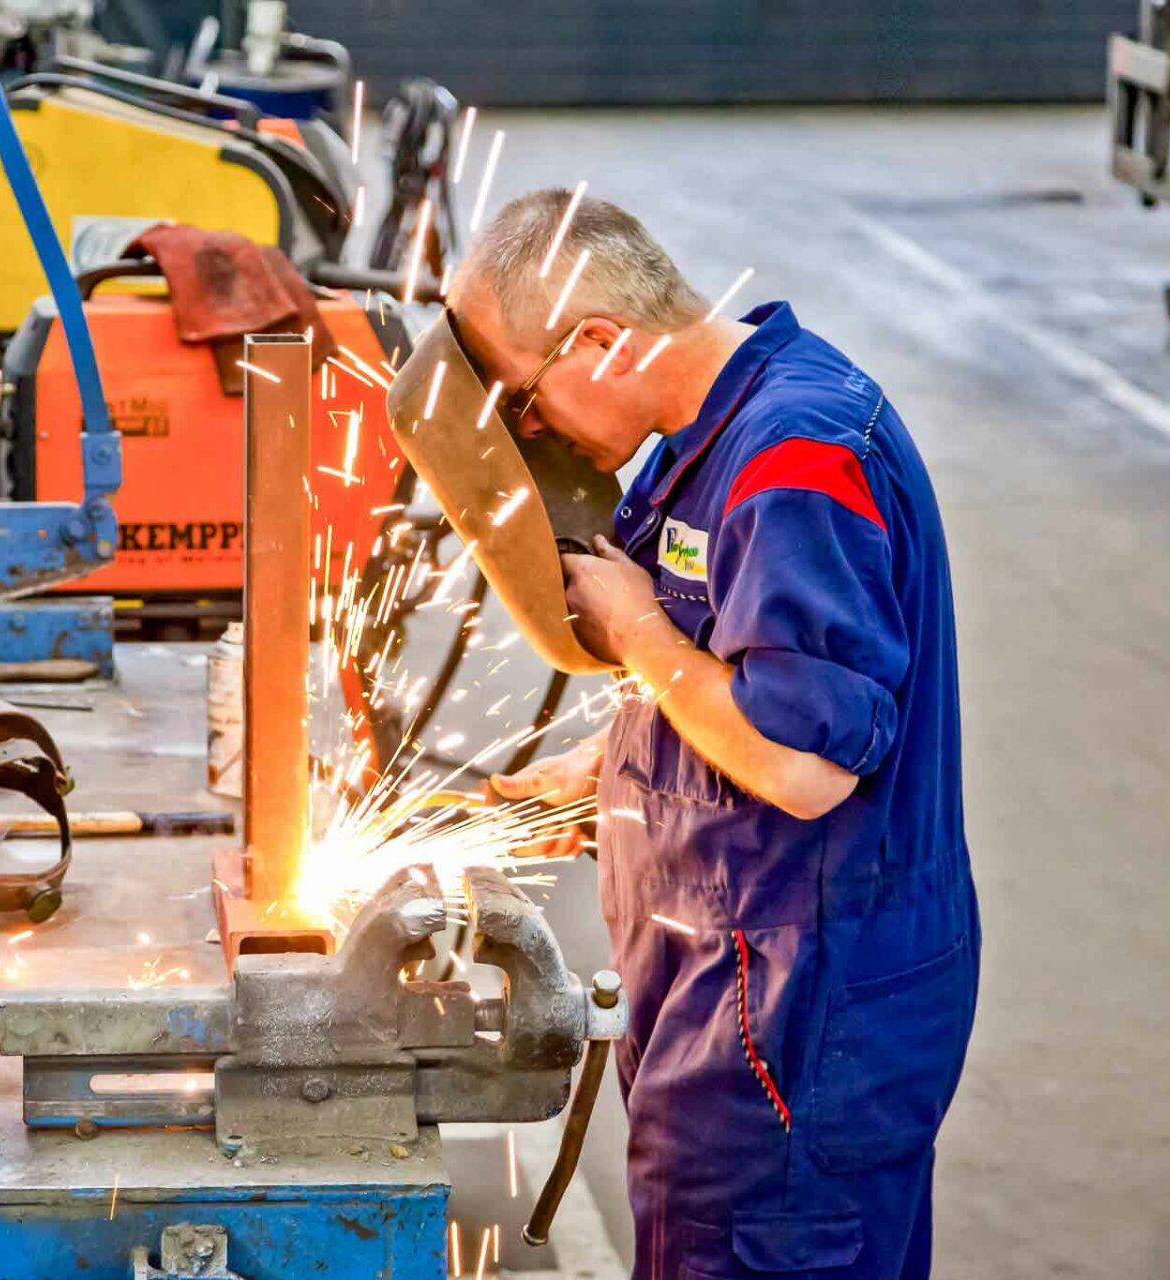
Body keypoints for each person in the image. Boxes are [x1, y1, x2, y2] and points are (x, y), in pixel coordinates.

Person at [455, 191, 980, 1279]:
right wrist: (613, 775)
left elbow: (802, 763)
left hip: (792, 1021)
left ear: (598, 341)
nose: (533, 430)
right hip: (737, 986)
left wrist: (638, 630)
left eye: (529, 397)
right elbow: (737, 676)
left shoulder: (795, 462)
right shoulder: (720, 435)